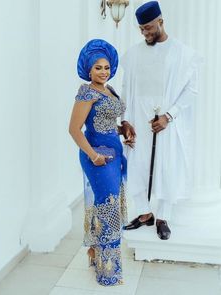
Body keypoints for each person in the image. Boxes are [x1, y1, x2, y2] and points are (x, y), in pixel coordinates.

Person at [121, 1, 201, 240]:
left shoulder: (182, 53)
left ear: (161, 22)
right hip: (138, 120)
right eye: (141, 29)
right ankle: (144, 213)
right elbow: (126, 88)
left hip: (165, 123)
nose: (145, 33)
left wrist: (169, 116)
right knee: (137, 165)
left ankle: (163, 217)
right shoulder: (134, 54)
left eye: (149, 28)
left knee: (166, 167)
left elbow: (191, 90)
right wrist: (125, 120)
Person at [69, 39, 128, 286]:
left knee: (108, 205)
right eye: (98, 68)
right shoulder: (87, 92)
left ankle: (95, 252)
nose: (103, 72)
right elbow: (74, 129)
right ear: (88, 70)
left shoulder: (109, 89)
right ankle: (108, 271)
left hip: (115, 155)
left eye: (106, 67)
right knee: (108, 209)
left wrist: (123, 129)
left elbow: (103, 124)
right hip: (98, 159)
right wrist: (94, 156)